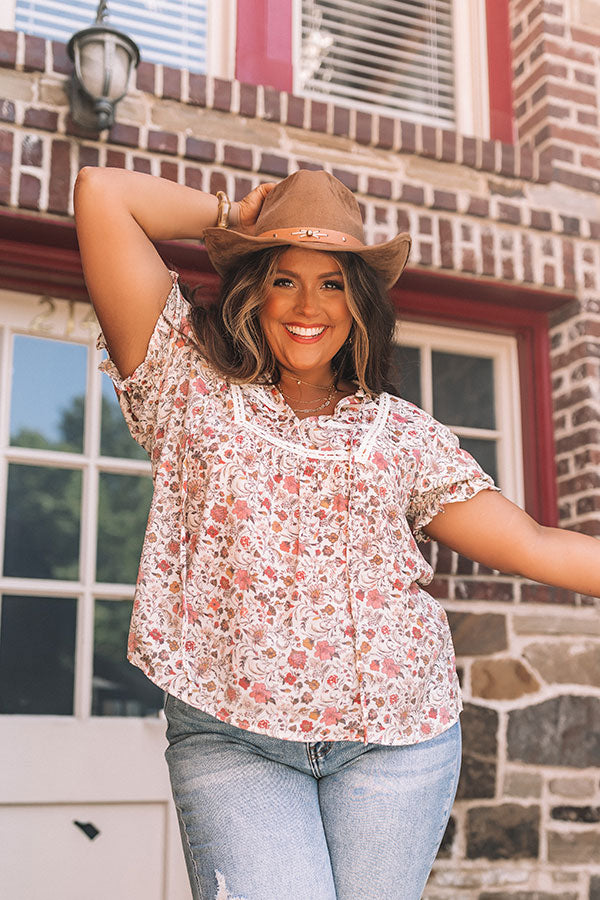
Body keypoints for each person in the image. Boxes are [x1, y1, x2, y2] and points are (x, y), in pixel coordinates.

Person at [74, 167, 600, 900]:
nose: (307, 306)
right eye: (283, 279)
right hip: (233, 737)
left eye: (331, 283)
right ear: (253, 289)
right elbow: (101, 195)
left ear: (359, 303)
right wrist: (236, 216)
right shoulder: (183, 379)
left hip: (396, 739)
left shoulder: (402, 433)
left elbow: (534, 544)